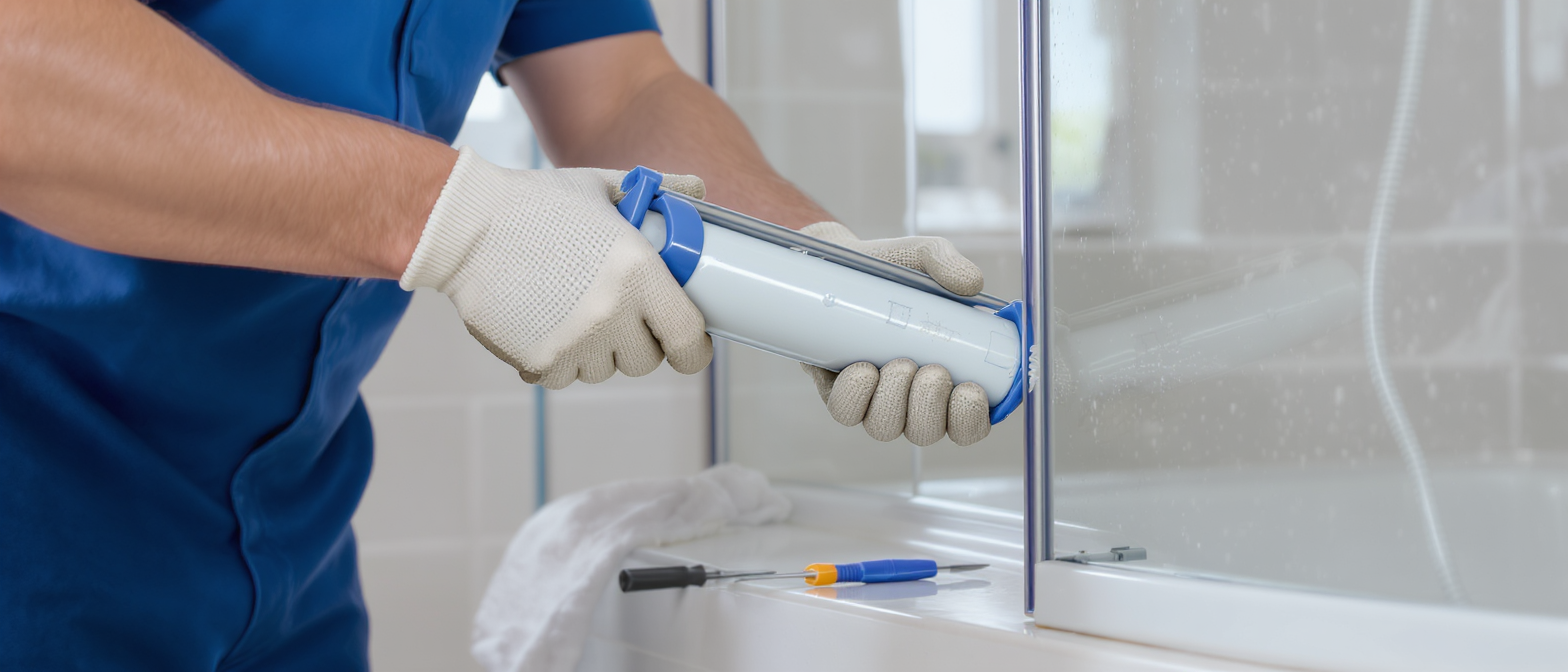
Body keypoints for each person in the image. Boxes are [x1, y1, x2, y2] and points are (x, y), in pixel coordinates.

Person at [0, 0, 992, 668]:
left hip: (281, 539)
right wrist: (461, 222)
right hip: (35, 510)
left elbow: (620, 88)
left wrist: (815, 269)